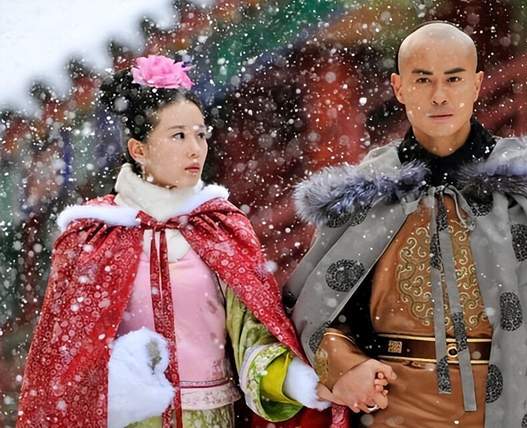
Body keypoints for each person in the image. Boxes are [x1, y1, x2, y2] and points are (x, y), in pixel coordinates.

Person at [285, 22, 527, 427]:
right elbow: (317, 312)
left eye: (454, 79)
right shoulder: (369, 192)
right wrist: (346, 366)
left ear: (477, 84)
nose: (440, 95)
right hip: (395, 407)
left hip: (510, 404)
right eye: (423, 80)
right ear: (398, 87)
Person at [17, 55, 329, 428]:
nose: (195, 149)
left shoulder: (221, 227)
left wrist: (299, 382)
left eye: (200, 134)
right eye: (178, 135)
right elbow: (66, 362)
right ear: (139, 149)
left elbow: (254, 340)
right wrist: (118, 383)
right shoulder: (93, 235)